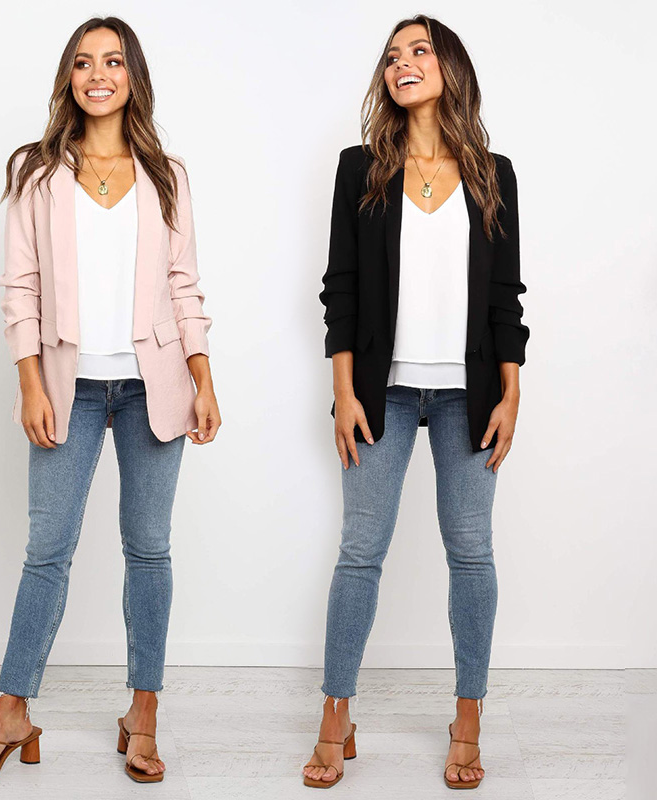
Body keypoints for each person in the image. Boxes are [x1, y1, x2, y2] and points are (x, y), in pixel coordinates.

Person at [0, 16, 220, 786]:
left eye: (112, 61)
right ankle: (10, 712)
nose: (97, 74)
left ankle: (143, 712)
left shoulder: (167, 174)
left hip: (152, 388)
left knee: (149, 550)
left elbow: (184, 286)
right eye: (82, 62)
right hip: (66, 387)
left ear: (133, 76)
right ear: (68, 78)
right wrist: (29, 381)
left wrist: (204, 376)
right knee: (48, 551)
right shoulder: (38, 173)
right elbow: (20, 286)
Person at [303, 14, 529, 790]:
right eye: (393, 55)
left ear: (449, 67)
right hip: (381, 394)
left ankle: (468, 717)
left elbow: (506, 297)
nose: (403, 62)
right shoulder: (359, 169)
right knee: (360, 551)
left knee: (471, 553)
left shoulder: (493, 174)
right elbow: (340, 289)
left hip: (470, 394)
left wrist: (512, 391)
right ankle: (336, 714)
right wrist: (342, 392)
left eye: (420, 50)